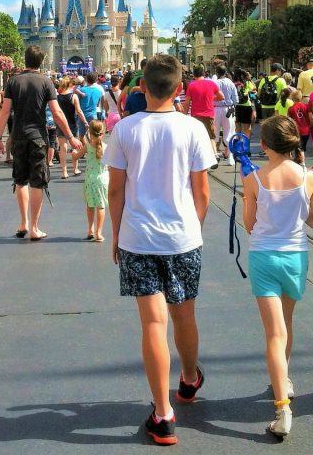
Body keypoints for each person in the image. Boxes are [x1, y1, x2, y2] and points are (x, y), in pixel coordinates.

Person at [103, 54, 215, 446]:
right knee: (184, 317)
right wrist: (191, 228)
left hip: (138, 238)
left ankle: (163, 414)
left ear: (143, 88)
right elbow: (202, 191)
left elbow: (115, 189)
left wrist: (116, 234)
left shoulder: (125, 130)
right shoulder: (194, 130)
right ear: (180, 88)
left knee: (153, 323)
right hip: (182, 238)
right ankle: (188, 379)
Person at [243, 116, 313, 438]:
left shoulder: (254, 178)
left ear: (264, 145)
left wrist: (252, 201)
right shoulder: (311, 177)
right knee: (286, 324)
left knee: (273, 334)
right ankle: (285, 379)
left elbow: (250, 224)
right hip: (296, 257)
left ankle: (283, 410)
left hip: (264, 257)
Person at [0, 46, 81, 240]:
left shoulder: (13, 81)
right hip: (38, 138)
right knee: (37, 182)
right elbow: (56, 112)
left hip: (18, 136)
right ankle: (34, 227)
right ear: (41, 62)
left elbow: (5, 111)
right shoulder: (46, 82)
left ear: (25, 60)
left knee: (20, 180)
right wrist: (70, 136)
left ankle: (23, 223)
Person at [184, 65, 224, 161]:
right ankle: (214, 155)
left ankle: (198, 157)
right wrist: (211, 98)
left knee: (196, 137)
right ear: (203, 73)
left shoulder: (191, 85)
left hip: (196, 115)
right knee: (210, 137)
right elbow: (222, 97)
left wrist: (184, 114)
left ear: (194, 75)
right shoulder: (211, 84)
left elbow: (187, 102)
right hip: (209, 114)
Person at [82, 119, 109, 242]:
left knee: (90, 205)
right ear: (103, 133)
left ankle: (90, 230)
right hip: (102, 180)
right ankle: (99, 232)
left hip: (89, 180)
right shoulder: (106, 148)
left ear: (90, 133)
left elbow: (75, 156)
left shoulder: (87, 147)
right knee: (101, 206)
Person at [56, 77, 85, 178]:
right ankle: (75, 169)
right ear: (71, 85)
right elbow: (79, 111)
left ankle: (64, 172)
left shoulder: (57, 97)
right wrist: (85, 122)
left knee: (62, 148)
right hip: (72, 123)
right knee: (75, 147)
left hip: (61, 124)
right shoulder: (74, 96)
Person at [214, 65, 238, 163]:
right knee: (229, 132)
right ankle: (230, 157)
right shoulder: (230, 83)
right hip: (228, 109)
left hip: (216, 109)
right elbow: (236, 99)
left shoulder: (215, 83)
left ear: (217, 72)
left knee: (214, 133)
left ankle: (214, 156)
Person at [234, 69, 256, 139]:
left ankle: (237, 146)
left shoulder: (235, 83)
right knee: (246, 129)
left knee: (238, 129)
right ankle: (246, 146)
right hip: (246, 106)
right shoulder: (248, 83)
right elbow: (254, 92)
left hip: (237, 106)